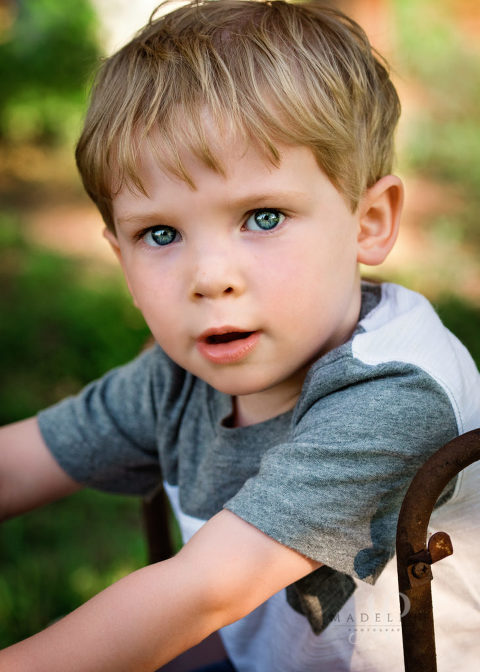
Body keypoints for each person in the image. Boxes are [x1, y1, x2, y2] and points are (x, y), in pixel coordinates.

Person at [1, 0, 479, 670]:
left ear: (369, 220)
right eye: (160, 234)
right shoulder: (180, 377)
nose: (209, 277)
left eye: (263, 216)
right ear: (122, 260)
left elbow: (198, 595)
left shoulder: (392, 397)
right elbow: (17, 465)